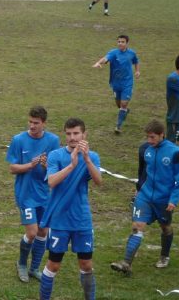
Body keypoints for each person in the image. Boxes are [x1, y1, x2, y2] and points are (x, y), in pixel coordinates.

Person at [111, 120, 179, 276]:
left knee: (165, 228)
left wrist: (174, 200)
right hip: (145, 196)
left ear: (162, 135)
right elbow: (144, 173)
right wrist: (139, 190)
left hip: (164, 199)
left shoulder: (175, 153)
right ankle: (126, 263)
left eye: (152, 137)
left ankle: (164, 256)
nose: (149, 141)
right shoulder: (146, 150)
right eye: (147, 137)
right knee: (137, 226)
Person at [38, 118, 102, 300]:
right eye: (68, 134)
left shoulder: (93, 156)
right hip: (60, 220)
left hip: (81, 219)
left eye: (76, 133)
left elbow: (99, 181)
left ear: (84, 134)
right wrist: (72, 165)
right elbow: (52, 181)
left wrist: (87, 160)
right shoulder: (56, 156)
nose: (72, 137)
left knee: (86, 264)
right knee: (53, 265)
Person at [5, 106, 61, 283]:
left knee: (43, 231)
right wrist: (30, 165)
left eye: (36, 123)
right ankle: (21, 264)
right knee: (32, 232)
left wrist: (45, 165)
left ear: (44, 123)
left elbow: (55, 169)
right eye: (30, 122)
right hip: (25, 194)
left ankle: (34, 268)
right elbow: (12, 168)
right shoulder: (18, 140)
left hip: (44, 195)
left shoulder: (53, 141)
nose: (32, 125)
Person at [92, 35, 141, 134]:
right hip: (115, 83)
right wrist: (98, 62)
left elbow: (136, 61)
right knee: (119, 104)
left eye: (122, 42)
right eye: (118, 42)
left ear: (127, 43)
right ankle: (124, 111)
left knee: (123, 103)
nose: (120, 43)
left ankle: (118, 126)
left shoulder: (132, 53)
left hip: (127, 82)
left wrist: (137, 71)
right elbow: (105, 59)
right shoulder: (113, 53)